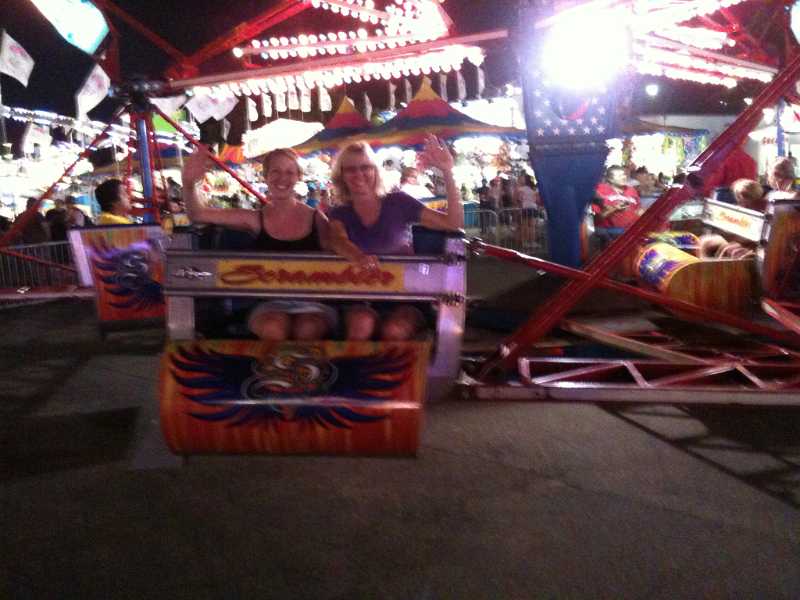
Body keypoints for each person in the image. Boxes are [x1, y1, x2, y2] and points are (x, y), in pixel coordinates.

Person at [182, 148, 336, 341]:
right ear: (266, 176)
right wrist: (189, 184)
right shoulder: (255, 218)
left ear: (298, 177)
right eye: (275, 171)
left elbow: (335, 257)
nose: (282, 178)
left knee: (307, 329)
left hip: (314, 303)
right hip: (270, 303)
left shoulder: (317, 218)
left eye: (289, 172)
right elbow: (197, 214)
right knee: (273, 328)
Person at [326, 135, 463, 341]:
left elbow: (452, 223)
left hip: (406, 297)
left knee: (394, 330)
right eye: (351, 169)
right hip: (361, 297)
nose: (359, 174)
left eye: (365, 167)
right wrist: (358, 256)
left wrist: (448, 171)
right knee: (361, 324)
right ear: (342, 176)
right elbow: (338, 240)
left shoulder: (398, 202)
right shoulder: (339, 213)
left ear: (375, 171)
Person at [592, 165, 642, 248]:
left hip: (634, 229)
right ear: (610, 179)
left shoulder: (631, 190)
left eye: (624, 174)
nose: (623, 177)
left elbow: (638, 209)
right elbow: (598, 217)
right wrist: (615, 208)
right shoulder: (601, 190)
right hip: (614, 232)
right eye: (619, 176)